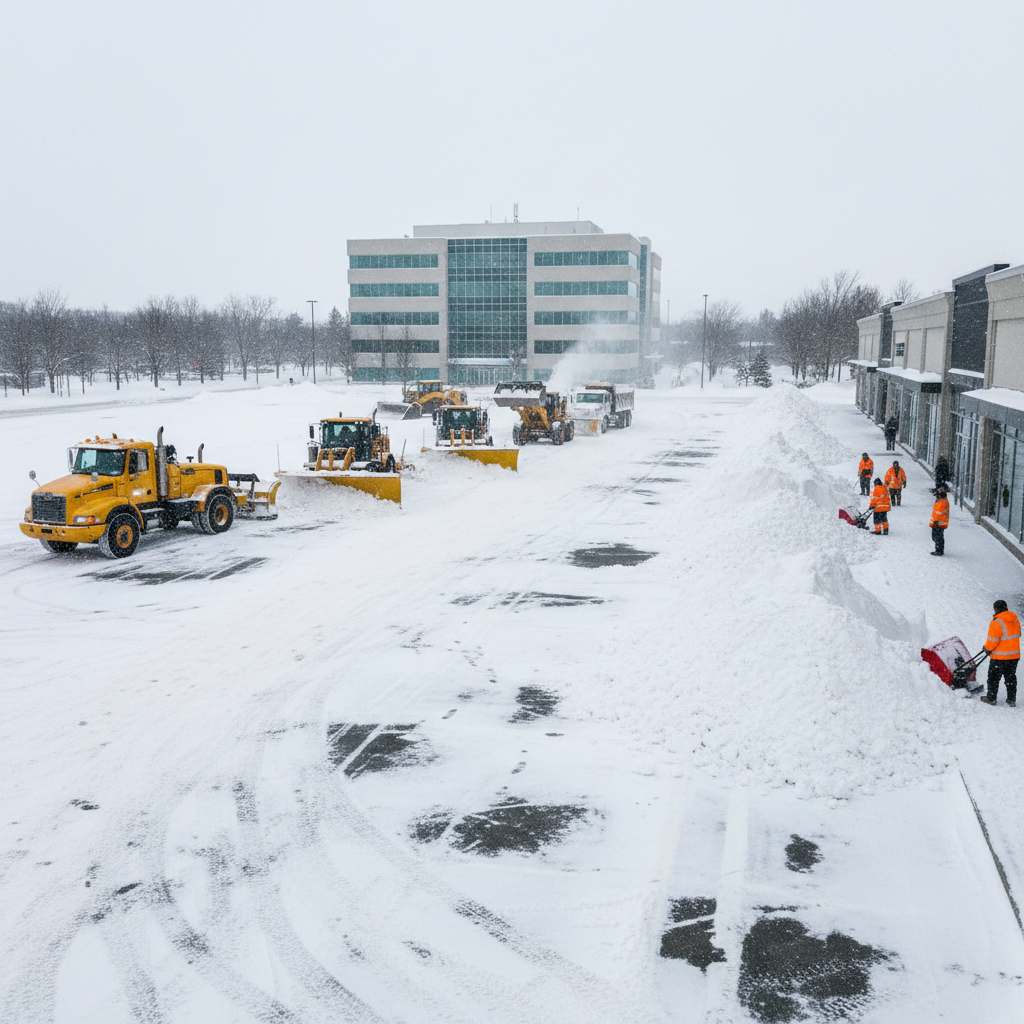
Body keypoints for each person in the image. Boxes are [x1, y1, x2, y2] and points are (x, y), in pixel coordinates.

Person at [980, 600, 1020, 707]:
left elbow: (992, 641)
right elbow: (1017, 634)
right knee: (1010, 677)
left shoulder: (996, 622)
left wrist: (987, 648)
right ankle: (1011, 699)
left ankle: (991, 698)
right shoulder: (1014, 619)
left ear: (996, 609)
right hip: (1014, 656)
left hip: (1000, 657)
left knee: (993, 678)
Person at [929, 487, 949, 555]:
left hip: (939, 523)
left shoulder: (942, 502)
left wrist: (936, 521)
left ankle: (939, 550)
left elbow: (940, 513)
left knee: (937, 536)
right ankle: (939, 549)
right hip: (938, 522)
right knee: (937, 536)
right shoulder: (940, 501)